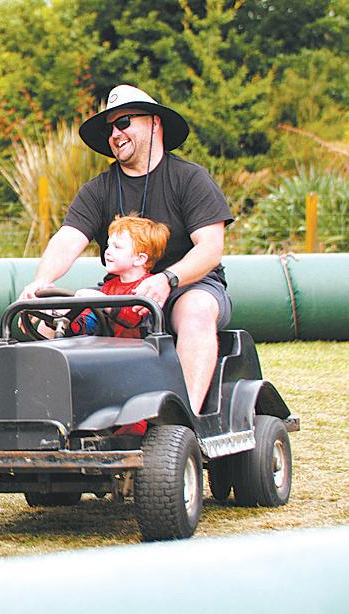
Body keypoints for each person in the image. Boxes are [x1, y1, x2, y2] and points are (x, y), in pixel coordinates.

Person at [20, 84, 233, 415]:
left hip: (187, 285)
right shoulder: (98, 189)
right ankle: (43, 420)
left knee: (197, 311)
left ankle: (183, 421)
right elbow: (67, 239)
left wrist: (168, 279)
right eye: (110, 128)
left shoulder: (190, 179)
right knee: (50, 316)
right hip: (120, 289)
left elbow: (211, 248)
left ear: (154, 123)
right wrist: (41, 284)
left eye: (124, 123)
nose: (115, 135)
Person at [35, 214, 170, 339]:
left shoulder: (149, 288)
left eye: (117, 247)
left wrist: (101, 300)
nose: (108, 251)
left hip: (142, 352)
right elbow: (89, 322)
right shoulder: (109, 287)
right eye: (108, 245)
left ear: (140, 259)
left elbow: (132, 319)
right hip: (109, 351)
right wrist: (60, 316)